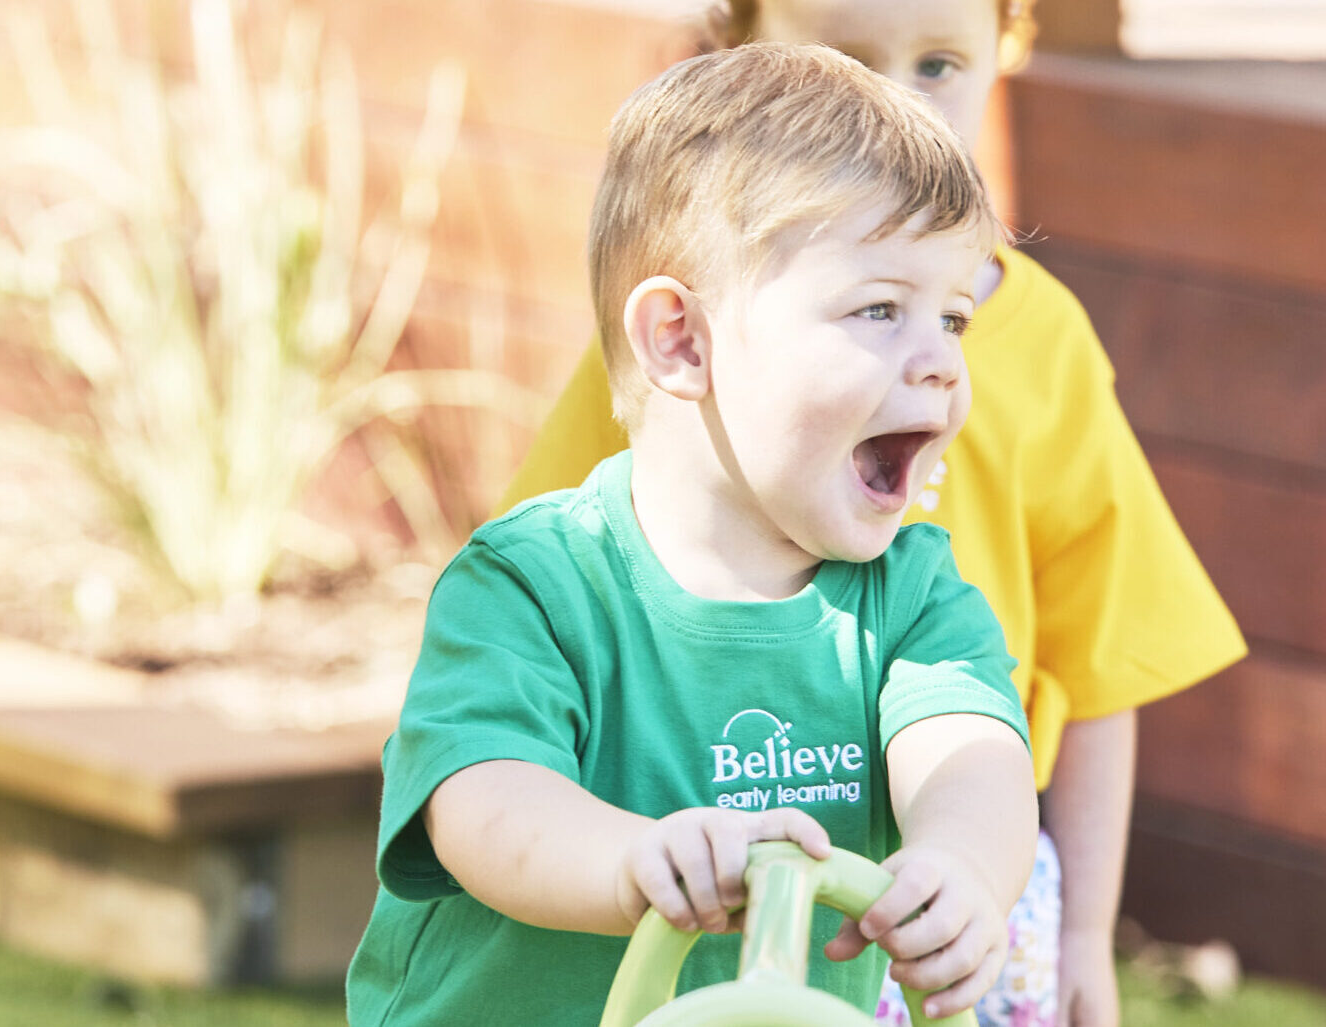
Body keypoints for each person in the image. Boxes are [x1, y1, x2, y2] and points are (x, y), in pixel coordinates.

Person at [494, 3, 1250, 1026]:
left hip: (956, 882)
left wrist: (1077, 930)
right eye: (839, 63)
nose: (896, 101)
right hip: (712, 850)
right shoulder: (677, 351)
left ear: (1004, 55)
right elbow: (532, 624)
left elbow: (1095, 659)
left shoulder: (1041, 361)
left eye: (939, 63)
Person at [346, 42, 1042, 1025]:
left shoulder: (911, 598)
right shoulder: (536, 583)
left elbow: (971, 753)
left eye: (956, 318)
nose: (939, 364)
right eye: (881, 309)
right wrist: (632, 860)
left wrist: (962, 866)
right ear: (681, 340)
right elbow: (484, 799)